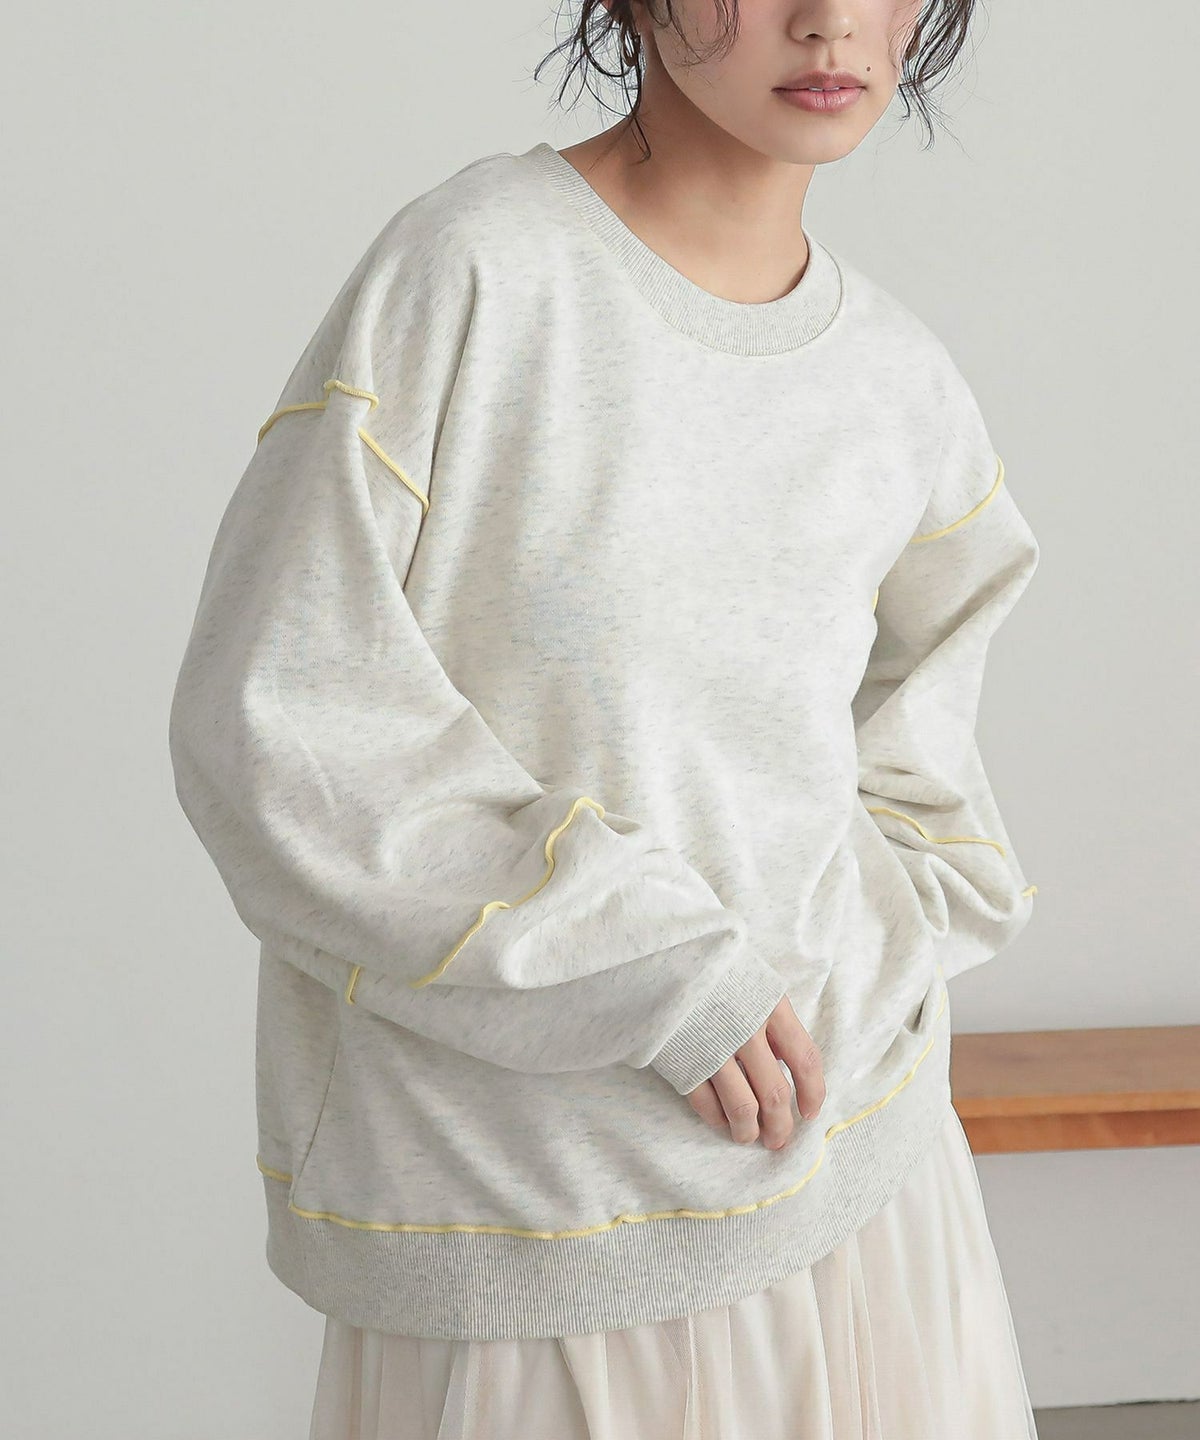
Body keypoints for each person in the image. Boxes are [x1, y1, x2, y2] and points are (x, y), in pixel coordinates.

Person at [167, 0, 1045, 1435]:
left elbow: (921, 755)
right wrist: (656, 969)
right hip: (530, 1210)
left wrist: (858, 971)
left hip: (865, 1191)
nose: (830, 24)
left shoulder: (899, 381)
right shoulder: (478, 273)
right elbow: (280, 726)